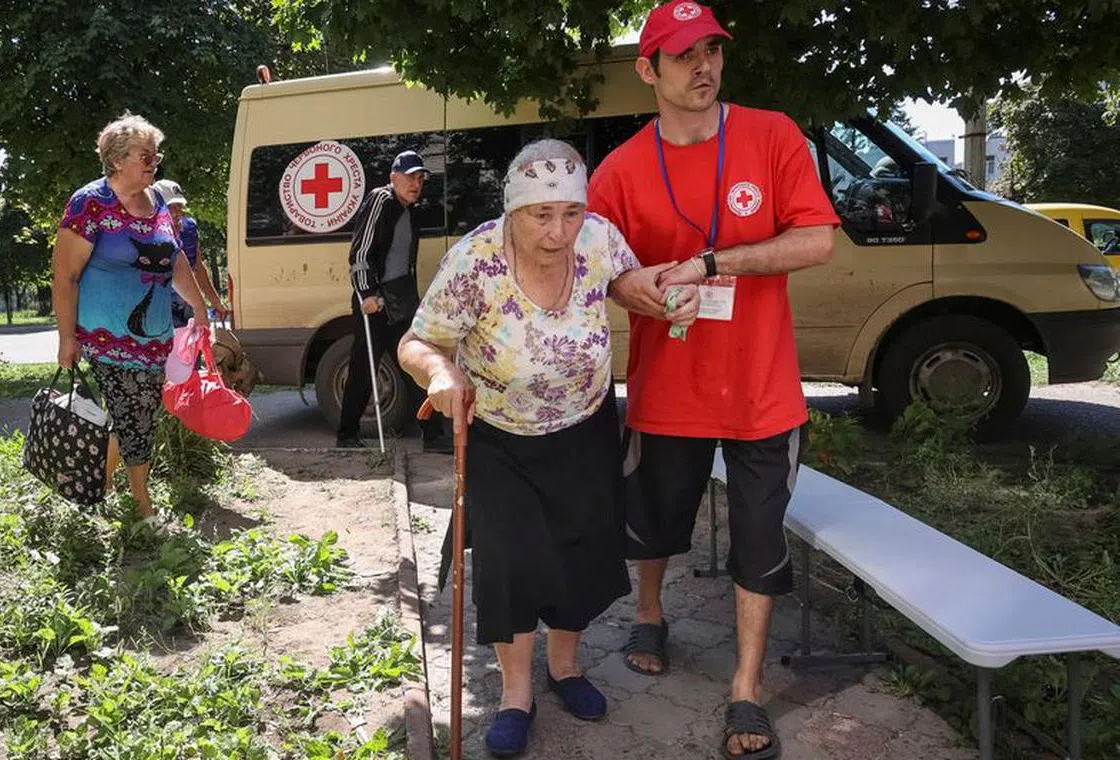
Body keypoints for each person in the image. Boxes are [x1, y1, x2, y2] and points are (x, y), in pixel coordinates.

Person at [587, 2, 840, 757]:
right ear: (648, 69)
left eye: (713, 51)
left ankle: (747, 688)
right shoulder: (622, 169)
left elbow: (818, 240)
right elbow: (592, 267)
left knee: (760, 545)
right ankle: (651, 612)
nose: (704, 67)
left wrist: (712, 262)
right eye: (684, 54)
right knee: (656, 525)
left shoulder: (771, 135)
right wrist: (630, 289)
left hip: (763, 392)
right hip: (670, 391)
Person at [398, 139, 698, 758]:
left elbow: (628, 283)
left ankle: (565, 669)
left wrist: (671, 294)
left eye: (570, 212)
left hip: (584, 428)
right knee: (513, 562)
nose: (559, 230)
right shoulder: (476, 259)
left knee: (580, 553)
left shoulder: (598, 238)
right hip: (500, 436)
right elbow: (416, 341)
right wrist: (441, 374)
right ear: (513, 209)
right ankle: (515, 694)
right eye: (542, 215)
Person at [51, 113, 211, 521]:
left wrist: (198, 306)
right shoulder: (89, 203)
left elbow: (175, 261)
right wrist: (66, 337)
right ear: (117, 159)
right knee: (134, 418)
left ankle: (96, 487)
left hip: (155, 336)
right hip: (107, 336)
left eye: (155, 155)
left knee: (136, 416)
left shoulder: (157, 201)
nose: (153, 161)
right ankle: (143, 508)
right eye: (145, 154)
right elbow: (65, 276)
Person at [338, 150, 450, 451]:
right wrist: (366, 293)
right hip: (375, 302)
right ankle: (347, 435)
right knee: (364, 367)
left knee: (414, 364)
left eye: (420, 178)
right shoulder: (382, 200)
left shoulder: (409, 211)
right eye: (410, 176)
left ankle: (433, 435)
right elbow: (360, 253)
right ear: (393, 177)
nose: (416, 183)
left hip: (400, 301)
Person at [151, 179, 229, 327]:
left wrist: (215, 302)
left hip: (186, 306)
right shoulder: (144, 233)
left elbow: (198, 267)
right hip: (158, 309)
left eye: (179, 207)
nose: (176, 213)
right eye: (170, 207)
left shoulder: (189, 229)